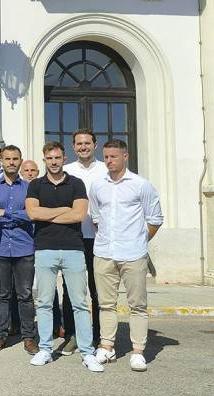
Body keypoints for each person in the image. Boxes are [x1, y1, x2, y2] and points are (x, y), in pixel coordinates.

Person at [25, 141, 104, 372]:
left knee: (80, 302)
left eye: (57, 158)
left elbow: (79, 215)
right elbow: (32, 213)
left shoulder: (76, 183)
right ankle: (46, 349)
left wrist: (47, 215)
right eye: (49, 158)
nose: (54, 162)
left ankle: (88, 352)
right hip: (45, 248)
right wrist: (63, 210)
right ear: (44, 160)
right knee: (45, 302)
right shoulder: (36, 185)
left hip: (73, 248)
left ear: (64, 158)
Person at [91, 140, 163, 372]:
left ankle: (138, 351)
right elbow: (95, 217)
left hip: (133, 254)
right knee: (105, 304)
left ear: (125, 157)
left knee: (138, 305)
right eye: (106, 156)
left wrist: (139, 241)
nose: (109, 161)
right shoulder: (97, 185)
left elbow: (155, 219)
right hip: (103, 252)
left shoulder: (142, 185)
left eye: (113, 156)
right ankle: (107, 346)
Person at [0, 145, 38, 354]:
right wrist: (16, 215)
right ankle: (0, 336)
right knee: (2, 294)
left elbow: (32, 215)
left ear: (20, 160)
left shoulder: (29, 188)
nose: (11, 162)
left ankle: (28, 337)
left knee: (25, 294)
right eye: (7, 159)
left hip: (24, 246)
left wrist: (5, 214)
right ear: (0, 160)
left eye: (15, 159)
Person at [60, 129, 107, 351]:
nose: (83, 147)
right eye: (78, 144)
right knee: (72, 291)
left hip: (100, 240)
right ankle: (72, 336)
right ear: (73, 146)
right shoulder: (66, 171)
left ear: (95, 145)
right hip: (73, 238)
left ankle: (99, 336)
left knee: (98, 291)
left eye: (87, 143)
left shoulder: (106, 170)